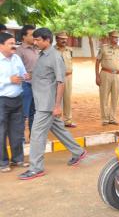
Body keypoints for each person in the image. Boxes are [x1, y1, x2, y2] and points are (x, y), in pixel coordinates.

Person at [19, 28, 86, 180]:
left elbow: (60, 82)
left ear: (47, 40)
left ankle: (36, 168)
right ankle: (78, 151)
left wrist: (57, 106)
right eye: (34, 40)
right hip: (41, 101)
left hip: (47, 104)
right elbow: (44, 75)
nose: (35, 42)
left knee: (36, 135)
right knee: (58, 129)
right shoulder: (42, 55)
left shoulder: (55, 56)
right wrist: (30, 75)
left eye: (38, 40)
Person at [0, 32, 29, 173]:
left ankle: (17, 159)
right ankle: (2, 162)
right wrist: (8, 80)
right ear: (1, 46)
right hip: (2, 101)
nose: (14, 46)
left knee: (17, 132)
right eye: (10, 43)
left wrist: (25, 76)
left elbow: (23, 74)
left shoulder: (16, 58)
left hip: (17, 99)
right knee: (1, 132)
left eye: (14, 43)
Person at [95, 30, 119, 126]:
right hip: (105, 74)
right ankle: (105, 119)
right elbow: (97, 62)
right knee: (104, 97)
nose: (116, 39)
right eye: (114, 37)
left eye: (117, 37)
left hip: (118, 75)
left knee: (115, 97)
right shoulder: (103, 48)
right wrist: (97, 76)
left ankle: (113, 118)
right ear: (110, 38)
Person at [15, 25, 38, 135]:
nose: (35, 37)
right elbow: (15, 69)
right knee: (23, 113)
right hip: (25, 86)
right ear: (24, 37)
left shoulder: (37, 49)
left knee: (34, 113)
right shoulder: (19, 51)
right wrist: (25, 76)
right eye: (32, 35)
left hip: (36, 86)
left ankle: (33, 138)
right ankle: (21, 139)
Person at [55, 31, 76, 128]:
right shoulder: (52, 50)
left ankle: (68, 120)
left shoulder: (69, 50)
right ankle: (57, 122)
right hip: (56, 78)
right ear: (56, 39)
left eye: (65, 39)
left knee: (67, 98)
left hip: (68, 77)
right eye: (61, 38)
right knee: (57, 99)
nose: (64, 40)